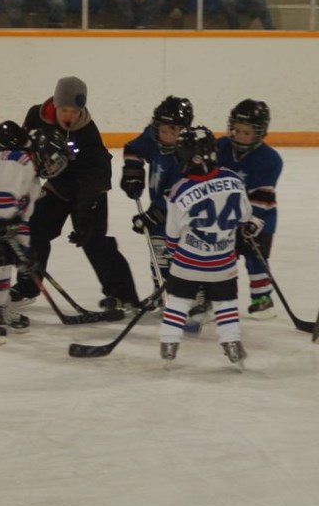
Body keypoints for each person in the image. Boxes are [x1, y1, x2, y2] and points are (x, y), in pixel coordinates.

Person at [10, 76, 140, 311]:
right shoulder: (35, 116)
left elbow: (96, 175)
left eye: (74, 111)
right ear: (56, 104)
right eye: (65, 110)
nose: (69, 116)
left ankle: (123, 295)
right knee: (35, 230)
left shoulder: (87, 132)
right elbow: (24, 149)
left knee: (94, 240)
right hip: (57, 186)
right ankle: (28, 285)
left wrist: (84, 215)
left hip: (90, 190)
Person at [0, 122, 71, 345]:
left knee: (6, 262)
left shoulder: (34, 180)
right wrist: (8, 220)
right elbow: (1, 194)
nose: (53, 167)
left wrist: (25, 250)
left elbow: (23, 216)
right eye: (53, 159)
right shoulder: (15, 159)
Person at [160, 126, 255, 368]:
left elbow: (172, 234)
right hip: (223, 263)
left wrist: (174, 254)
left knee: (178, 302)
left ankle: (169, 345)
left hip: (187, 263)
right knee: (225, 305)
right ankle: (232, 344)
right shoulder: (233, 179)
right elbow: (245, 216)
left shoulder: (180, 189)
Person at [120, 96, 195, 295]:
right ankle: (161, 290)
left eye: (174, 131)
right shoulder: (151, 137)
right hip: (158, 211)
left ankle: (190, 294)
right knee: (158, 252)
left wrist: (155, 214)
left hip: (184, 216)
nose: (168, 136)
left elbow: (180, 192)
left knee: (183, 255)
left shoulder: (189, 153)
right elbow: (132, 149)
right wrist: (133, 172)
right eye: (163, 130)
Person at [218, 99, 283, 319]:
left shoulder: (270, 159)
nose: (240, 136)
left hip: (260, 219)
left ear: (260, 133)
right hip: (224, 218)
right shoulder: (220, 148)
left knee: (257, 259)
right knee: (223, 258)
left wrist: (251, 220)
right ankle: (219, 297)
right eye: (237, 130)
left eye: (247, 132)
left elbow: (263, 196)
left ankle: (262, 298)